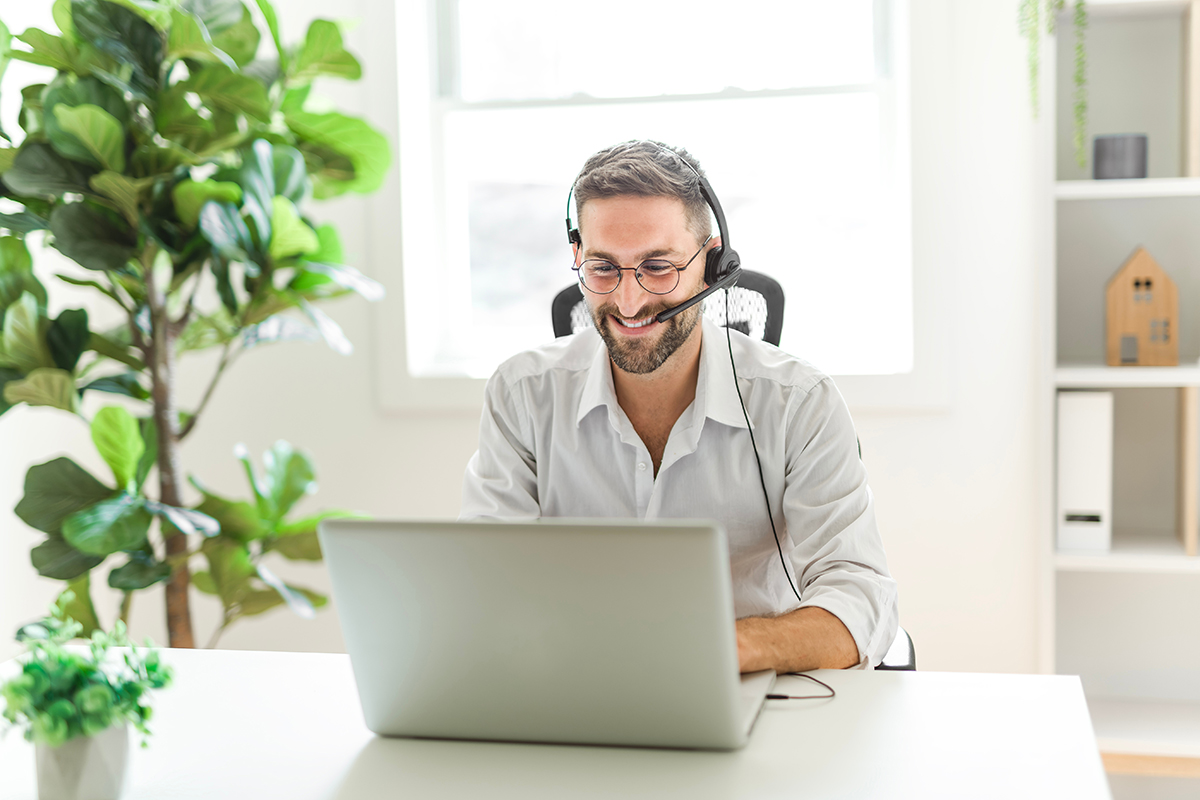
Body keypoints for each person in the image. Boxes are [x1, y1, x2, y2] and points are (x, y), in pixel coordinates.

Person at [461, 140, 898, 671]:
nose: (628, 301)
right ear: (578, 256)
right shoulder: (522, 394)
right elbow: (487, 586)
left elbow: (863, 600)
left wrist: (722, 648)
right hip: (575, 685)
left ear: (712, 264)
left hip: (751, 686)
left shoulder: (798, 404)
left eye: (657, 267)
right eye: (603, 267)